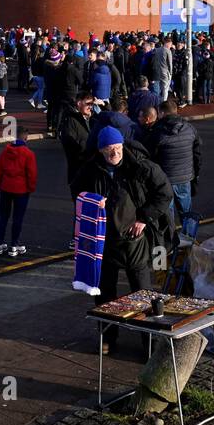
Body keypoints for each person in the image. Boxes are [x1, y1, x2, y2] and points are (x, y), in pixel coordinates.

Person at [71, 125, 174, 353]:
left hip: (134, 241)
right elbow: (76, 193)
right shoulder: (90, 170)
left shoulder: (141, 166)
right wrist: (91, 201)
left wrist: (144, 218)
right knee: (105, 295)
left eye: (117, 148)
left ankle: (150, 344)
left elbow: (165, 192)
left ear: (123, 146)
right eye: (109, 150)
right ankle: (108, 338)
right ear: (100, 151)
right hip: (105, 241)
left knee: (143, 293)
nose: (114, 154)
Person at [145, 99, 202, 236]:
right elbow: (197, 154)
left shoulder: (157, 132)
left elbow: (150, 157)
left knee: (167, 215)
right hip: (185, 177)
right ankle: (189, 239)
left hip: (165, 180)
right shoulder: (189, 128)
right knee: (186, 212)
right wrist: (196, 174)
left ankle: (170, 242)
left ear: (162, 113)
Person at [0, 124, 37, 256]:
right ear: (25, 138)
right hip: (21, 190)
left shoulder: (5, 151)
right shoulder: (28, 154)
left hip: (6, 187)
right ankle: (14, 244)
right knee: (18, 218)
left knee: (3, 217)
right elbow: (32, 174)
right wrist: (30, 187)